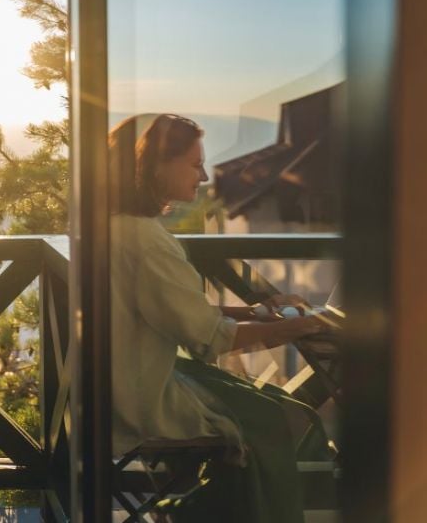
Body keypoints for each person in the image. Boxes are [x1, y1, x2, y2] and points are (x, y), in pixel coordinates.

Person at [108, 113, 335, 523]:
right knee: (294, 420)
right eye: (195, 165)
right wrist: (302, 325)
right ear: (155, 165)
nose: (204, 176)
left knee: (269, 407)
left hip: (122, 380)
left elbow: (174, 313)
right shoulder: (146, 241)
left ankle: (201, 508)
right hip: (141, 398)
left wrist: (251, 311)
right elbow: (211, 339)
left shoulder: (116, 228)